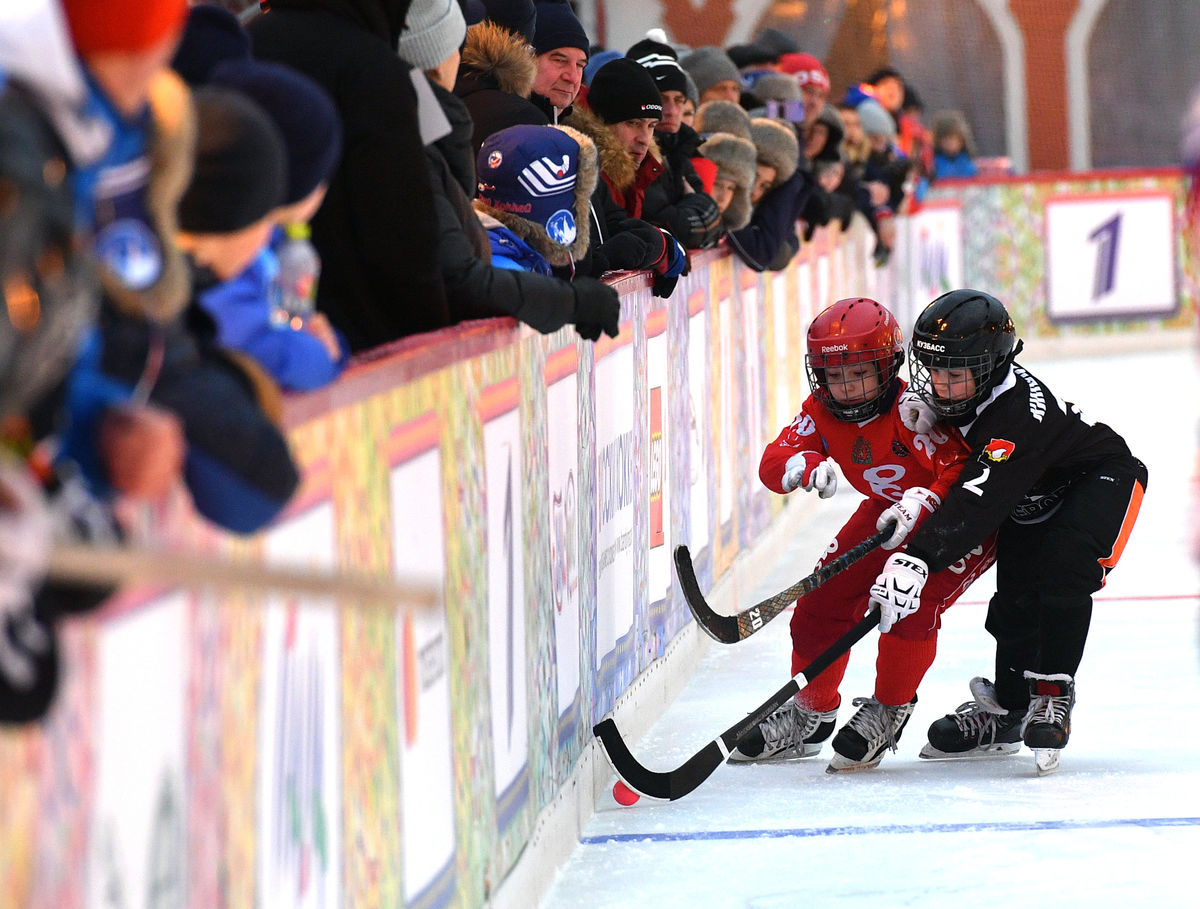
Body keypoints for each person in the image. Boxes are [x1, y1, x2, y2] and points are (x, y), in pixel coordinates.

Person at [872, 289, 1147, 768]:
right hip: (1030, 492)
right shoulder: (969, 388)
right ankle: (1009, 709)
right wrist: (931, 415)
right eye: (933, 373)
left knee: (1064, 568)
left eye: (954, 376)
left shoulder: (1014, 417)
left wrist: (917, 556)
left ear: (992, 367)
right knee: (1014, 598)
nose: (940, 386)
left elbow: (979, 498)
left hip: (1100, 476)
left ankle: (1052, 692)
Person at [729, 297, 996, 773]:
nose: (846, 388)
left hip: (955, 520)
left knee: (907, 603)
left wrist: (922, 503)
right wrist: (801, 464)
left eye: (859, 374)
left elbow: (961, 472)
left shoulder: (913, 409)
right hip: (885, 514)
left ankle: (890, 708)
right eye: (835, 375)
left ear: (887, 366)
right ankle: (811, 714)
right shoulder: (820, 411)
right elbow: (774, 458)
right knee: (820, 604)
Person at [248, 0, 449, 351]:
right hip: (361, 340)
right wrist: (431, 333)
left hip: (250, 326)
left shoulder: (244, 43)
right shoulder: (373, 70)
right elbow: (401, 229)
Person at [528, 0, 590, 122]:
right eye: (560, 61)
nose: (572, 78)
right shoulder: (497, 123)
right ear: (525, 60)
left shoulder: (581, 137)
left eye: (579, 65)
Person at [931, 109, 979, 180]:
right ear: (938, 141)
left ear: (961, 140)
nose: (949, 143)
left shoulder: (967, 162)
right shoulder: (934, 164)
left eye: (952, 139)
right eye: (945, 139)